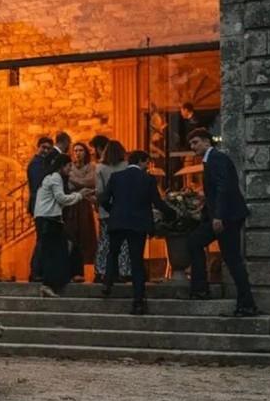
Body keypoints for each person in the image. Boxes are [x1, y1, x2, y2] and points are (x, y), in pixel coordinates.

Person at [186, 128, 258, 316]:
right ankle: (200, 289)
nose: (192, 147)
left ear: (207, 142)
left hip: (226, 217)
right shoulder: (212, 160)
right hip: (222, 216)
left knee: (232, 259)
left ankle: (246, 304)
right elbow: (216, 191)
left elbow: (223, 188)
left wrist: (218, 216)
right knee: (195, 242)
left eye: (195, 142)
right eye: (191, 144)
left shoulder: (216, 158)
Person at [100, 150, 175, 315]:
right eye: (146, 162)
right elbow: (157, 202)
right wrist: (172, 213)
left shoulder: (116, 177)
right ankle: (138, 301)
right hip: (138, 224)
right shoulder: (148, 179)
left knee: (113, 252)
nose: (147, 166)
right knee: (136, 261)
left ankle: (107, 283)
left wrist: (114, 211)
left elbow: (104, 199)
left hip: (118, 221)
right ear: (141, 161)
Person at [34, 151, 92, 297]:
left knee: (60, 249)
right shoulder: (55, 178)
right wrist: (80, 195)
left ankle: (56, 281)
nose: (70, 169)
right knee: (55, 252)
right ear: (61, 166)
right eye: (68, 166)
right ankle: (48, 283)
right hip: (49, 219)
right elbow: (62, 199)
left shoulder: (52, 178)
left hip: (49, 219)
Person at [94, 138, 132, 284]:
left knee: (104, 241)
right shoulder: (127, 166)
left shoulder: (100, 168)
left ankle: (101, 271)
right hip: (124, 209)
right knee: (124, 242)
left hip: (106, 210)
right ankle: (123, 271)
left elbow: (100, 190)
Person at [62, 141, 98, 279]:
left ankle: (81, 270)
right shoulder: (69, 168)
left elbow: (91, 181)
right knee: (72, 235)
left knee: (85, 235)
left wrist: (76, 182)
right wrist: (80, 185)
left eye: (81, 150)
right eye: (75, 150)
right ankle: (72, 270)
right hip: (71, 204)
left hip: (85, 204)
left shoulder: (91, 167)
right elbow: (69, 185)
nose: (77, 153)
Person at [26, 136, 54, 281]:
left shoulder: (43, 163)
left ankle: (41, 270)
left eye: (48, 148)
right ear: (38, 147)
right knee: (42, 239)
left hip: (42, 206)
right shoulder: (36, 164)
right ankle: (36, 271)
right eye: (43, 147)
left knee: (44, 239)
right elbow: (39, 185)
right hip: (39, 206)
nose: (45, 151)